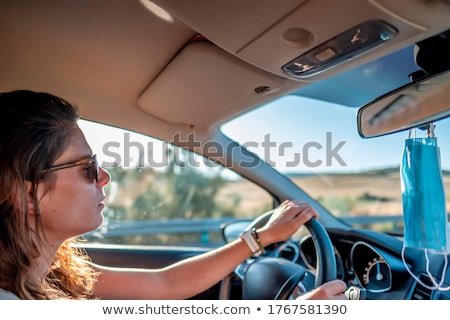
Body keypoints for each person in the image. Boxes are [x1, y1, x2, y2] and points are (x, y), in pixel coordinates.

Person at [0, 89, 347, 300]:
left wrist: (259, 240)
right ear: (27, 195)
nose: (104, 177)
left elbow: (163, 284)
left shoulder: (50, 273)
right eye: (87, 167)